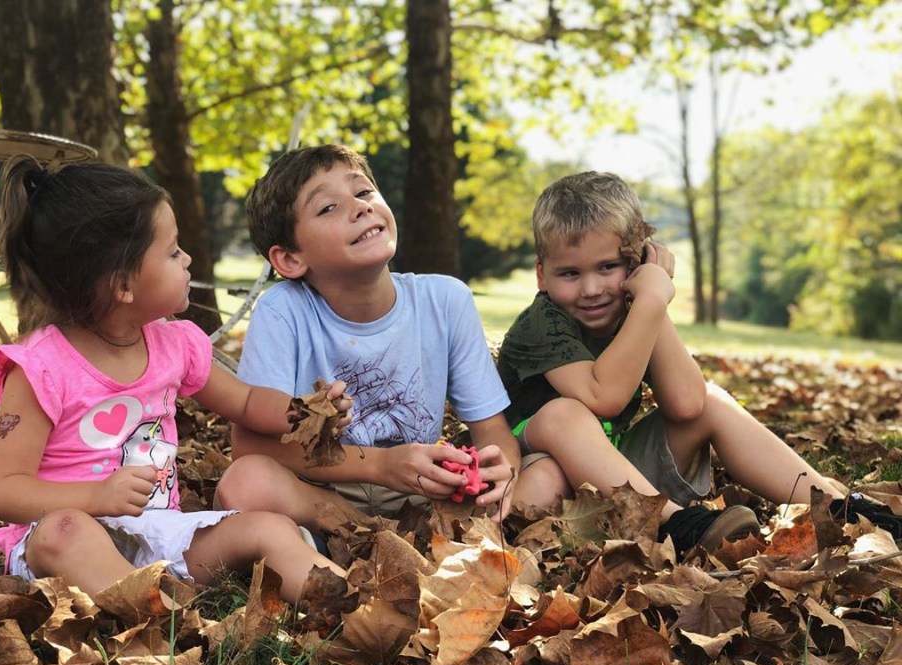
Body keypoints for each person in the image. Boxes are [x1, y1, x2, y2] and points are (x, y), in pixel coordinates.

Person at [0, 156, 358, 604]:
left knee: (268, 527)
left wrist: (305, 413)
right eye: (173, 251)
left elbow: (245, 400)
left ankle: (352, 606)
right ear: (123, 285)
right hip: (63, 536)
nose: (188, 260)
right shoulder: (41, 368)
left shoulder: (173, 344)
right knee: (64, 533)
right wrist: (96, 496)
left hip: (159, 532)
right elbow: (2, 490)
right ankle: (157, 619)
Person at [496, 170, 902, 557]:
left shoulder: (633, 307)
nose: (591, 288)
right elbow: (605, 399)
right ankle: (678, 526)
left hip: (616, 476)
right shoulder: (542, 322)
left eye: (608, 267)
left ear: (637, 263)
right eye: (569, 273)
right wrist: (652, 301)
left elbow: (689, 403)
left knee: (712, 400)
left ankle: (841, 509)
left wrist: (650, 302)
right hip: (534, 472)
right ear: (542, 276)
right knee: (563, 417)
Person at [216, 144, 520, 522]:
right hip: (323, 492)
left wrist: (499, 470)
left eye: (363, 192)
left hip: (424, 491)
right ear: (290, 259)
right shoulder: (283, 311)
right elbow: (249, 447)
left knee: (544, 472)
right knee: (245, 483)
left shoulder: (446, 299)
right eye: (328, 207)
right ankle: (356, 538)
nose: (360, 207)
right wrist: (379, 466)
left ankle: (424, 540)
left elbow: (491, 428)